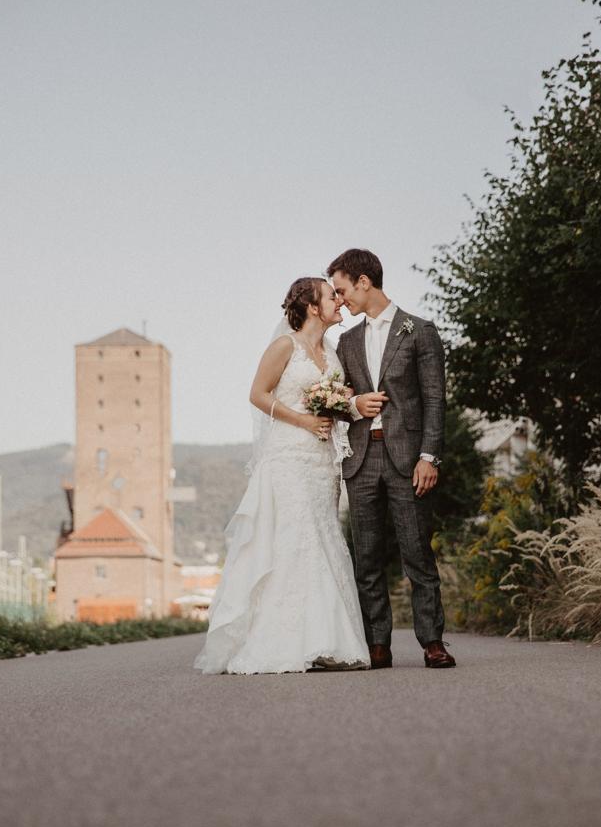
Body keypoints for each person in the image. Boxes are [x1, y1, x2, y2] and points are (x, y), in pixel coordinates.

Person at [194, 277, 370, 675]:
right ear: (312, 306)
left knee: (322, 536)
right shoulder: (284, 345)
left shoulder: (333, 352)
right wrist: (304, 420)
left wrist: (344, 407)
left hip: (323, 461)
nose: (338, 301)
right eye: (331, 296)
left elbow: (339, 401)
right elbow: (258, 393)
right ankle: (287, 640)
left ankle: (326, 639)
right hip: (289, 455)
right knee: (294, 540)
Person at [328, 248, 455, 670]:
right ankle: (377, 643)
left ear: (364, 282)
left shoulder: (420, 331)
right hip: (361, 461)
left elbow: (435, 401)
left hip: (408, 458)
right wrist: (354, 403)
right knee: (366, 556)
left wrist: (429, 456)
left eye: (343, 289)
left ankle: (432, 642)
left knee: (418, 552)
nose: (340, 299)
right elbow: (338, 398)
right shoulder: (345, 342)